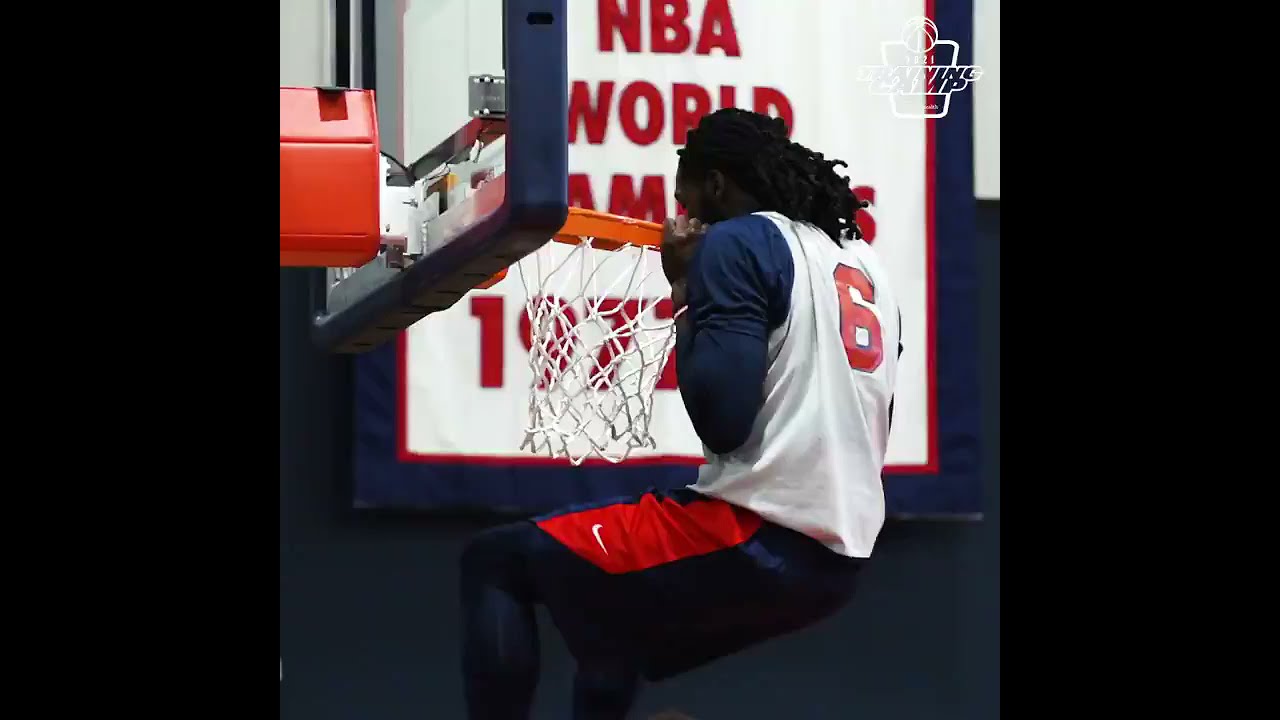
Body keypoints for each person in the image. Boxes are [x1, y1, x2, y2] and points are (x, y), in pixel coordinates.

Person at [459, 108, 903, 720]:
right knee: (608, 624)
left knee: (496, 561)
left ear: (716, 185)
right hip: (839, 562)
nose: (683, 215)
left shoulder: (738, 240)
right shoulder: (862, 263)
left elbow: (724, 419)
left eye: (685, 197)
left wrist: (687, 288)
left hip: (759, 535)